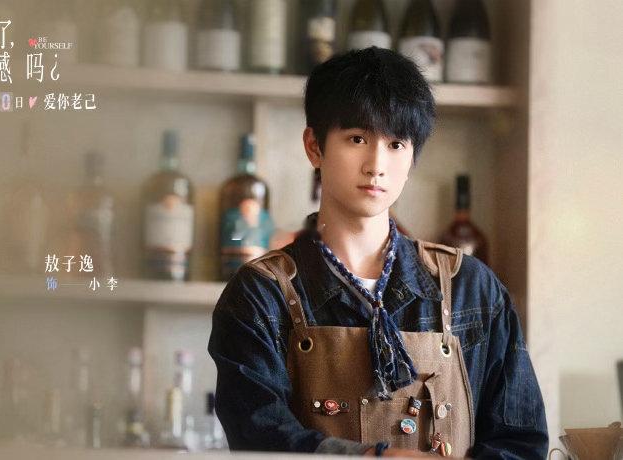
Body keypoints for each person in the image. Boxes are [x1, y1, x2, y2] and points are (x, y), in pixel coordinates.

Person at [207, 47, 548, 458]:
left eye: (396, 144)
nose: (376, 164)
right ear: (314, 147)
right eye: (357, 139)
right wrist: (373, 458)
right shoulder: (260, 294)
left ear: (413, 156)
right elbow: (259, 439)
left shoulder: (472, 288)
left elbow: (521, 444)